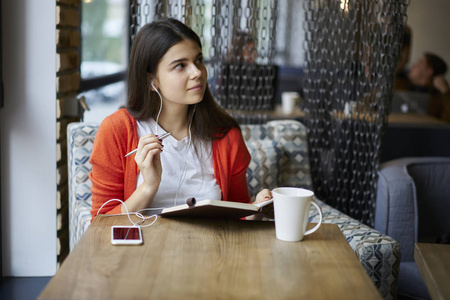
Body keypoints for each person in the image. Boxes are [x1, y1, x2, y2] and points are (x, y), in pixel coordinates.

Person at [89, 18, 272, 220]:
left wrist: (256, 210)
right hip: (143, 251)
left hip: (212, 250)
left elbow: (238, 214)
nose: (197, 73)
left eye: (198, 60)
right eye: (180, 66)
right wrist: (148, 187)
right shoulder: (117, 130)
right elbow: (101, 224)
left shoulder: (227, 136)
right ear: (152, 81)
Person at [396, 52, 450, 122]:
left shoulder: (439, 98)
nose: (414, 65)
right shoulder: (400, 83)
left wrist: (446, 92)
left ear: (429, 71)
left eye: (420, 62)